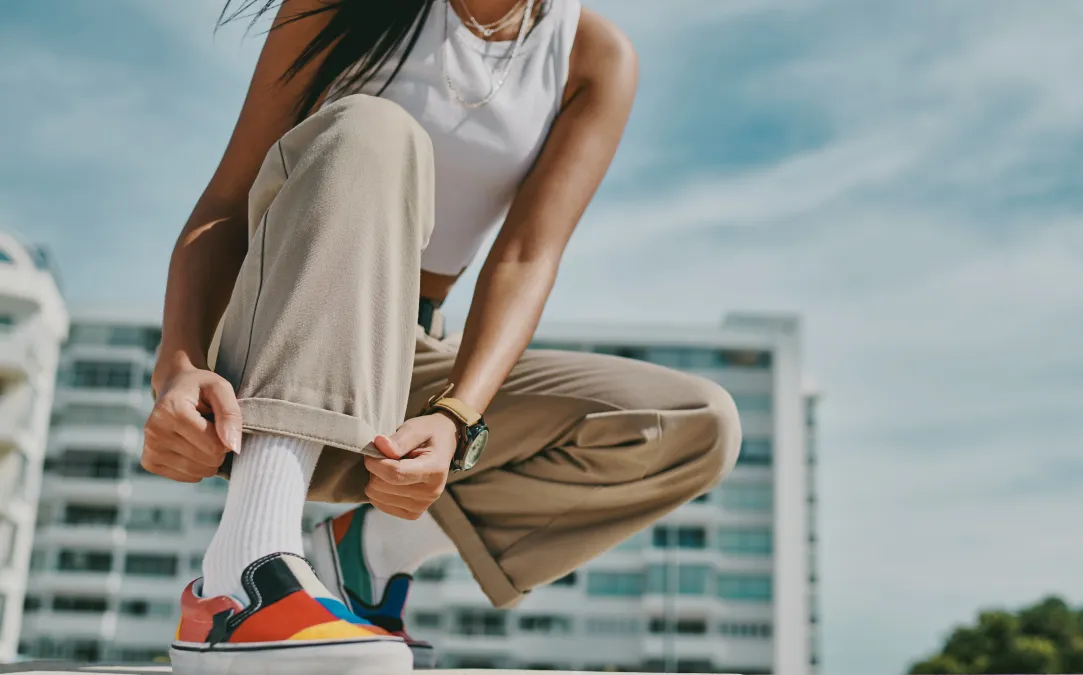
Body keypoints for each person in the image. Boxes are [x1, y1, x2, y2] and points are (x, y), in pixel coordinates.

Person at [144, 0, 742, 673]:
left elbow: (525, 257)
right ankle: (241, 578)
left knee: (690, 422)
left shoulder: (591, 58)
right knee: (378, 129)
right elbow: (226, 202)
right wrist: (177, 366)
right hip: (272, 345)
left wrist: (459, 415)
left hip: (404, 367)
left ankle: (370, 553)